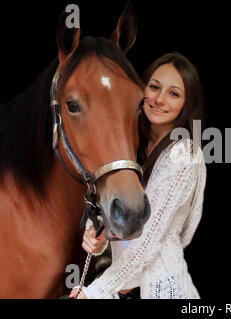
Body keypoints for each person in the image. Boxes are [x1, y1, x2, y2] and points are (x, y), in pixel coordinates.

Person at [70, 52, 206, 299]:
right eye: (154, 87)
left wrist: (94, 293)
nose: (159, 99)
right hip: (120, 289)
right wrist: (97, 234)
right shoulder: (131, 144)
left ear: (187, 104)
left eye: (173, 93)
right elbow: (106, 197)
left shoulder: (185, 154)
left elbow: (148, 242)